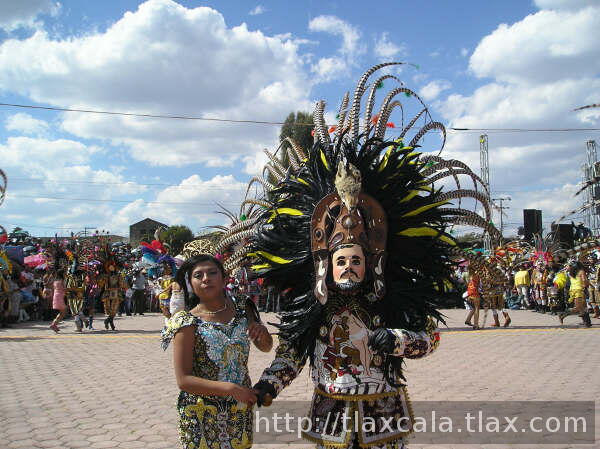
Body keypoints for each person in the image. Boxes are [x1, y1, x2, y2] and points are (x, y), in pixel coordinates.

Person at [161, 254, 272, 449]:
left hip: (239, 410)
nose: (206, 278)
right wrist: (230, 389)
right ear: (191, 283)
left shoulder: (243, 308)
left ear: (224, 277)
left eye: (212, 273)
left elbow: (266, 347)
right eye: (198, 275)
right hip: (203, 414)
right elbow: (184, 380)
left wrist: (262, 333)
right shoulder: (187, 322)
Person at [559, 261, 592, 327]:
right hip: (579, 291)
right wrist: (588, 284)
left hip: (573, 291)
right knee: (578, 307)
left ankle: (587, 322)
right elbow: (584, 280)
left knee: (583, 307)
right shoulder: (581, 272)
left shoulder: (571, 273)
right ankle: (563, 314)